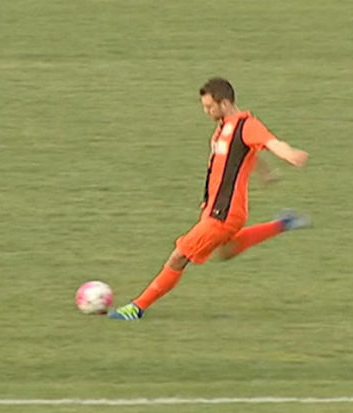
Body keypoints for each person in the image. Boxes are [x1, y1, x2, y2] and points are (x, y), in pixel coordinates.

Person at [108, 77, 310, 321]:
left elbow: (272, 143)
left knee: (179, 256)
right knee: (227, 251)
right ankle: (283, 223)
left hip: (223, 214)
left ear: (224, 103)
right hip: (216, 209)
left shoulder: (247, 125)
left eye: (209, 106)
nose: (206, 111)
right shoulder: (223, 128)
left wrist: (290, 155)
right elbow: (246, 151)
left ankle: (136, 308)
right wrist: (265, 173)